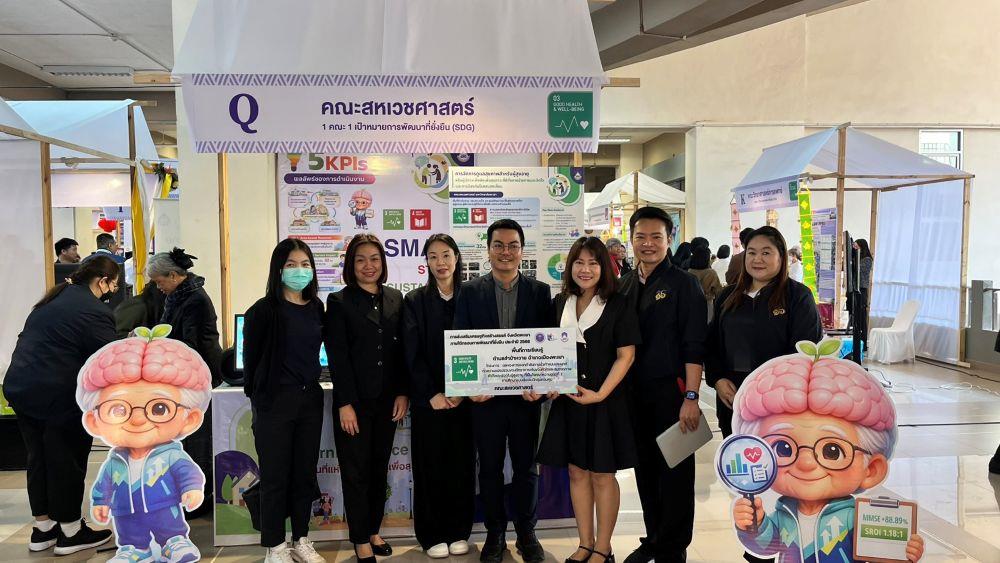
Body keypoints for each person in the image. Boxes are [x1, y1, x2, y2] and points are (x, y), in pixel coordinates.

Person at [2, 256, 119, 556]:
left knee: (39, 458)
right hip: (57, 393)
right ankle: (71, 532)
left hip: (22, 387)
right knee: (66, 459)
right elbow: (108, 357)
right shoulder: (93, 310)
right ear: (102, 281)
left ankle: (43, 529)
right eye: (113, 286)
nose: (112, 292)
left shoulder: (52, 300)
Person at [452, 219, 554, 563]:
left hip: (526, 400)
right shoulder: (470, 291)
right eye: (499, 245)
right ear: (489, 249)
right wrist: (469, 389)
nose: (505, 252)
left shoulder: (540, 292)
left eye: (513, 245)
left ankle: (527, 533)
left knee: (527, 468)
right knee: (490, 469)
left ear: (522, 251)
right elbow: (461, 342)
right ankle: (495, 534)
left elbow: (547, 346)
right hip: (486, 401)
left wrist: (541, 386)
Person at [537, 237, 640, 563]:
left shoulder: (619, 303)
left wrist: (600, 394)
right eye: (579, 263)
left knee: (602, 474)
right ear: (570, 267)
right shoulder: (560, 302)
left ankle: (603, 548)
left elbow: (626, 356)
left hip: (605, 401)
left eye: (593, 263)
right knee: (577, 472)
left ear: (604, 267)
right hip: (569, 403)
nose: (585, 269)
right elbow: (549, 352)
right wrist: (549, 383)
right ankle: (585, 542)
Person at [618, 207, 707, 563]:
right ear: (631, 239)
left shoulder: (685, 284)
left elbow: (694, 344)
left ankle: (673, 547)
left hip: (672, 394)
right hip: (633, 396)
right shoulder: (625, 283)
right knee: (645, 471)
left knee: (676, 473)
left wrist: (692, 397)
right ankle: (653, 538)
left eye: (656, 237)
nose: (648, 244)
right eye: (640, 237)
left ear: (669, 239)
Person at [325, 234, 408, 563]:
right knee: (356, 472)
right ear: (351, 265)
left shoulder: (396, 298)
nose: (368, 266)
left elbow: (401, 352)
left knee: (378, 470)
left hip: (387, 402)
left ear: (382, 263)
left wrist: (402, 392)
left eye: (374, 259)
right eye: (360, 260)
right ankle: (360, 538)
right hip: (354, 405)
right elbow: (338, 356)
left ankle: (373, 530)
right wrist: (344, 403)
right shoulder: (339, 301)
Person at [243, 239, 326, 563]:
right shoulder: (262, 311)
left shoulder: (316, 307)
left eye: (305, 264)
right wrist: (261, 400)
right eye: (291, 265)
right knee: (275, 478)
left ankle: (301, 539)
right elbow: (251, 365)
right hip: (274, 404)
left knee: (304, 475)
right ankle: (275, 546)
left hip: (309, 401)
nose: (299, 271)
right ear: (278, 270)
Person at [705, 226, 822, 440]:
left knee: (779, 457)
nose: (757, 259)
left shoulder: (798, 297)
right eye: (751, 252)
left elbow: (805, 351)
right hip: (733, 398)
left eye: (766, 252)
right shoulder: (728, 296)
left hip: (779, 403)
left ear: (781, 257)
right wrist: (718, 379)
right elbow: (712, 343)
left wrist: (772, 390)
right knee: (737, 455)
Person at [403, 234, 474, 559]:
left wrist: (463, 391)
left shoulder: (472, 297)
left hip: (465, 400)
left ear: (457, 258)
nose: (440, 262)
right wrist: (430, 392)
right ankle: (431, 534)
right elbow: (411, 352)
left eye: (446, 255)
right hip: (428, 401)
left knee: (461, 466)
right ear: (427, 263)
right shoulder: (415, 301)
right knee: (429, 466)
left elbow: (480, 344)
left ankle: (459, 531)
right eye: (433, 257)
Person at [146, 248, 223, 516]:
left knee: (198, 439)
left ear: (173, 275)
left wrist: (158, 347)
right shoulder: (178, 296)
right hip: (185, 376)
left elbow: (190, 344)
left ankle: (200, 496)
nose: (158, 287)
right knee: (188, 438)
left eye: (159, 281)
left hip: (200, 375)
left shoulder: (195, 299)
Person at [854, 238, 874, 351]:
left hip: (862, 290)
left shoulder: (867, 260)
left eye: (857, 246)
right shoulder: (859, 258)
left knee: (862, 318)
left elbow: (858, 270)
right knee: (857, 318)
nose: (855, 248)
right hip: (857, 290)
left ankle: (863, 343)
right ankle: (858, 343)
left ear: (862, 246)